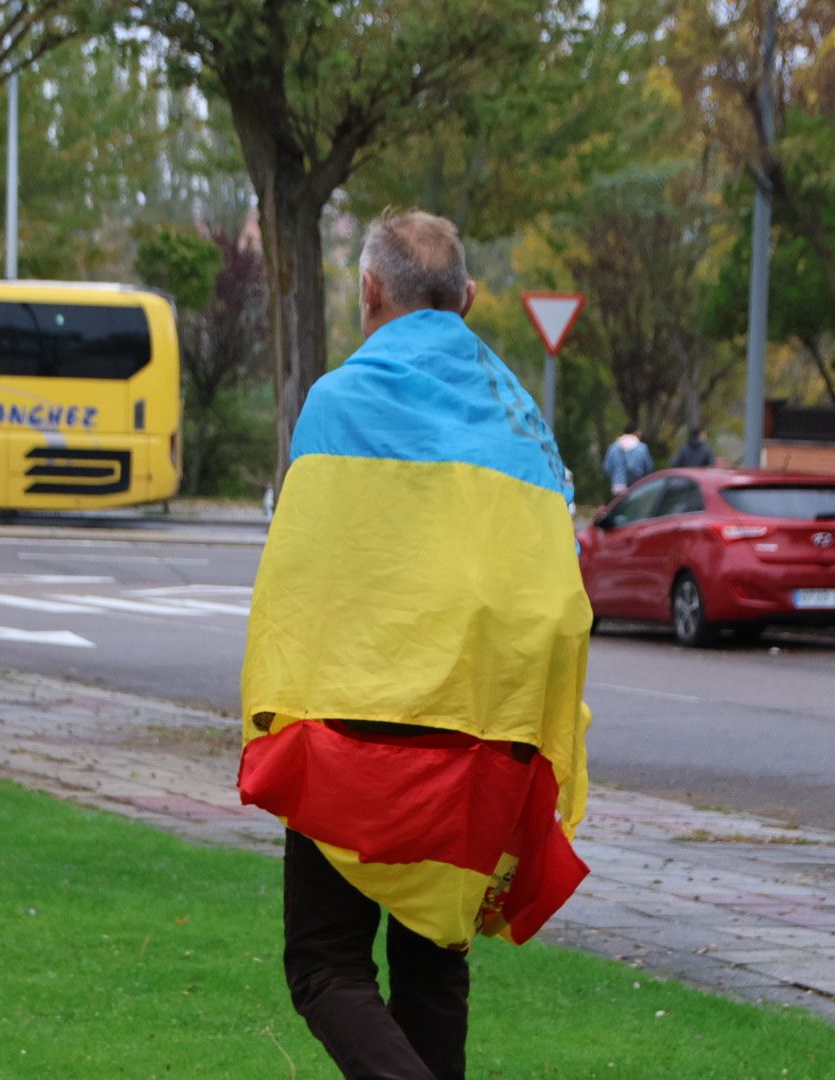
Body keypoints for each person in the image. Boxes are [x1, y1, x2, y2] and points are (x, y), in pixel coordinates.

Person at [239, 209, 593, 1080]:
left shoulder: (339, 403)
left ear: (368, 291)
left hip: (359, 737)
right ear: (467, 299)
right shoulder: (526, 430)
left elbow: (300, 582)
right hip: (484, 740)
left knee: (325, 966)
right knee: (434, 962)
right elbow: (554, 595)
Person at [602, 423, 653, 494]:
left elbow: (607, 468)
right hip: (637, 487)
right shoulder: (642, 448)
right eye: (639, 431)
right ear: (635, 432)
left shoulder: (613, 447)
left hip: (618, 487)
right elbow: (648, 468)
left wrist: (616, 477)